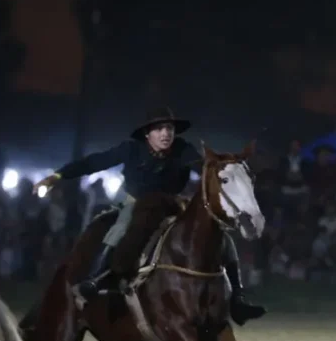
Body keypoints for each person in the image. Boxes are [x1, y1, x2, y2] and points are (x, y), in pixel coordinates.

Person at [35, 107, 266, 326]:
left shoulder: (183, 150)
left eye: (170, 129)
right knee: (122, 226)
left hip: (172, 204)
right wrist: (57, 176)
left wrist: (227, 167)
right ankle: (97, 278)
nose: (166, 133)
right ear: (147, 134)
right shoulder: (130, 149)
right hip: (136, 203)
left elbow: (205, 169)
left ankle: (238, 298)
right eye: (159, 128)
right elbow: (93, 162)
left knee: (221, 236)